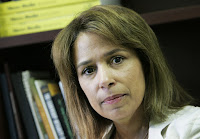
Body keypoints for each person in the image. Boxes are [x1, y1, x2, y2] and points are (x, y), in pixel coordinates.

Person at [51, 5, 200, 139]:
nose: (104, 80)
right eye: (89, 70)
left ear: (145, 63)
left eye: (117, 60)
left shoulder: (193, 127)